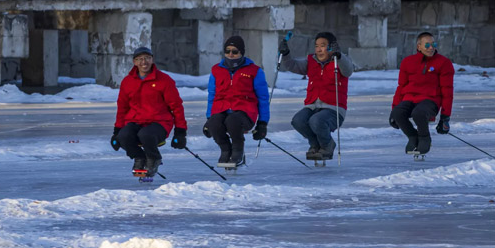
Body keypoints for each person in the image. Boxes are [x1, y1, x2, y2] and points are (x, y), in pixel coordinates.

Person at [111, 46, 188, 176]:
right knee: (124, 136)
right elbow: (122, 108)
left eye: (147, 58)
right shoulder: (128, 82)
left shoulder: (164, 80)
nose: (144, 62)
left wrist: (180, 131)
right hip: (135, 120)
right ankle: (139, 157)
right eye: (140, 59)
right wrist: (117, 131)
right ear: (134, 62)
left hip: (160, 122)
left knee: (146, 134)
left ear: (152, 60)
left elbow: (176, 106)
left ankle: (154, 158)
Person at [279, 32, 353, 160]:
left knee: (316, 120)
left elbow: (348, 71)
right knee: (298, 121)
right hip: (313, 105)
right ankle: (315, 144)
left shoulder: (339, 61)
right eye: (317, 46)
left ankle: (327, 145)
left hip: (333, 109)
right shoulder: (311, 61)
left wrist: (339, 56)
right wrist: (285, 54)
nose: (319, 49)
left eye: (323, 46)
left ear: (331, 47)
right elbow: (292, 65)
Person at [204, 35, 270, 166]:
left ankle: (238, 151)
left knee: (232, 120)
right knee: (215, 123)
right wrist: (208, 118)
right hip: (222, 108)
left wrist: (262, 123)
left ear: (241, 53)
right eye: (227, 51)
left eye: (235, 51)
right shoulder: (216, 70)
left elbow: (263, 98)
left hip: (245, 111)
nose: (230, 54)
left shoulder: (254, 71)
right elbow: (212, 95)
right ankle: (225, 150)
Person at [389, 32, 455, 154]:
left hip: (430, 100)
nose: (431, 47)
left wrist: (445, 117)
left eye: (433, 44)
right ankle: (413, 137)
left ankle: (424, 138)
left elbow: (447, 91)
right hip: (409, 98)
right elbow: (401, 87)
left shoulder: (444, 63)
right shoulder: (408, 62)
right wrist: (394, 109)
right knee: (398, 113)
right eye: (427, 45)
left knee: (418, 113)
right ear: (419, 46)